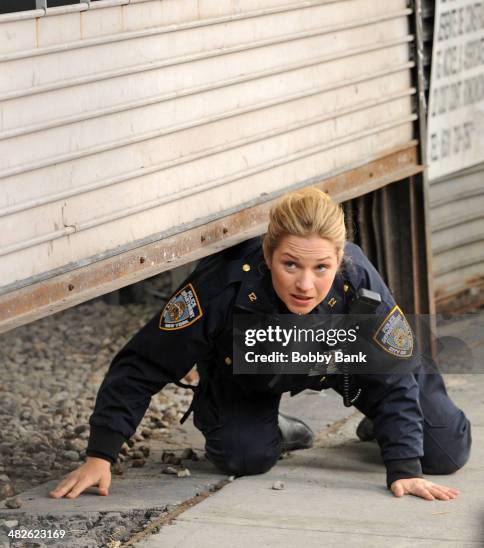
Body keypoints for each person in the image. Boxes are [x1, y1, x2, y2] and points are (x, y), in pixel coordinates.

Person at [49, 188, 471, 501]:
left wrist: (403, 466)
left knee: (446, 453)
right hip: (255, 375)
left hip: (351, 370)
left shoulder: (357, 280)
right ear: (269, 255)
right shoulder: (224, 286)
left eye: (321, 267)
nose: (306, 284)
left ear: (340, 260)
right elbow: (142, 363)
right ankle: (279, 429)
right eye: (290, 265)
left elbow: (394, 371)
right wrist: (100, 455)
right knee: (242, 456)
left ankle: (380, 424)